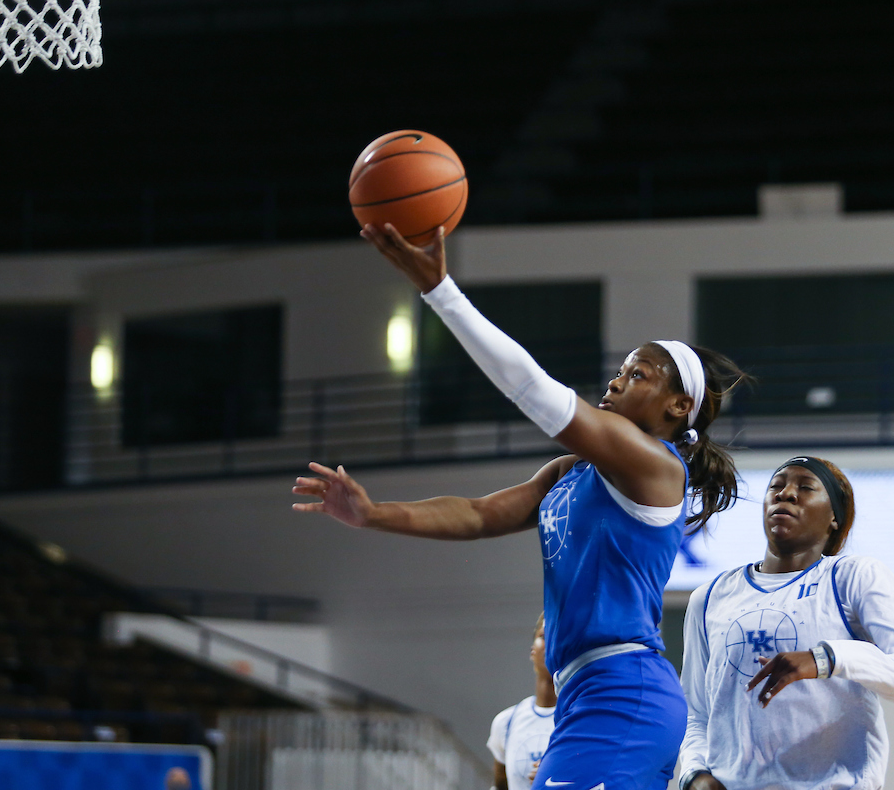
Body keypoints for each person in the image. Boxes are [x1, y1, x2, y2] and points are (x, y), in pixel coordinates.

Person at [294, 223, 745, 790]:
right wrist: (372, 513)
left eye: (638, 375)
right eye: (620, 370)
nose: (616, 381)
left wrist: (442, 293)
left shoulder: (656, 466)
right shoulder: (570, 472)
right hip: (587, 691)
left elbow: (534, 390)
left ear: (679, 406)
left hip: (623, 690)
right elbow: (480, 515)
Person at [679, 456, 894, 790]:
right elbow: (696, 712)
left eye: (805, 487)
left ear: (834, 518)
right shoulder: (709, 597)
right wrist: (694, 773)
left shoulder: (854, 576)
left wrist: (826, 658)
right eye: (776, 486)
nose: (785, 493)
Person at [488, 613, 556, 790]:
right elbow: (500, 785)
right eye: (544, 636)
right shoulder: (506, 722)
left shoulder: (582, 718)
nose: (551, 643)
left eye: (558, 636)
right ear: (532, 650)